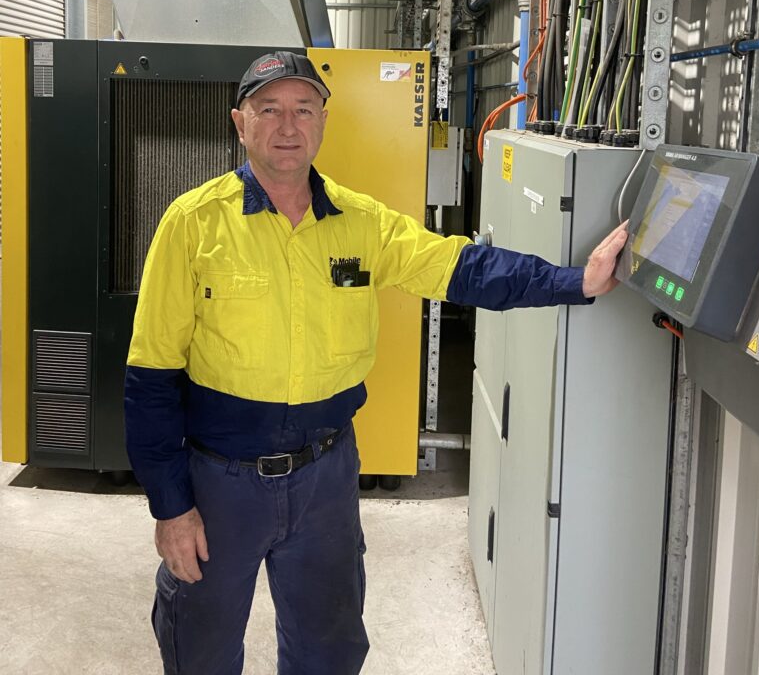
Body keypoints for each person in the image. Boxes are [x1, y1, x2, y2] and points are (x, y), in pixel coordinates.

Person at [125, 50, 628, 675]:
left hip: (326, 481)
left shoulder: (363, 224)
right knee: (198, 648)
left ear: (323, 121)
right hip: (221, 481)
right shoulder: (193, 224)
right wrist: (171, 507)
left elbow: (462, 267)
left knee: (329, 650)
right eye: (270, 110)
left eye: (304, 109)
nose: (288, 127)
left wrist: (576, 281)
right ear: (240, 122)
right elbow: (150, 379)